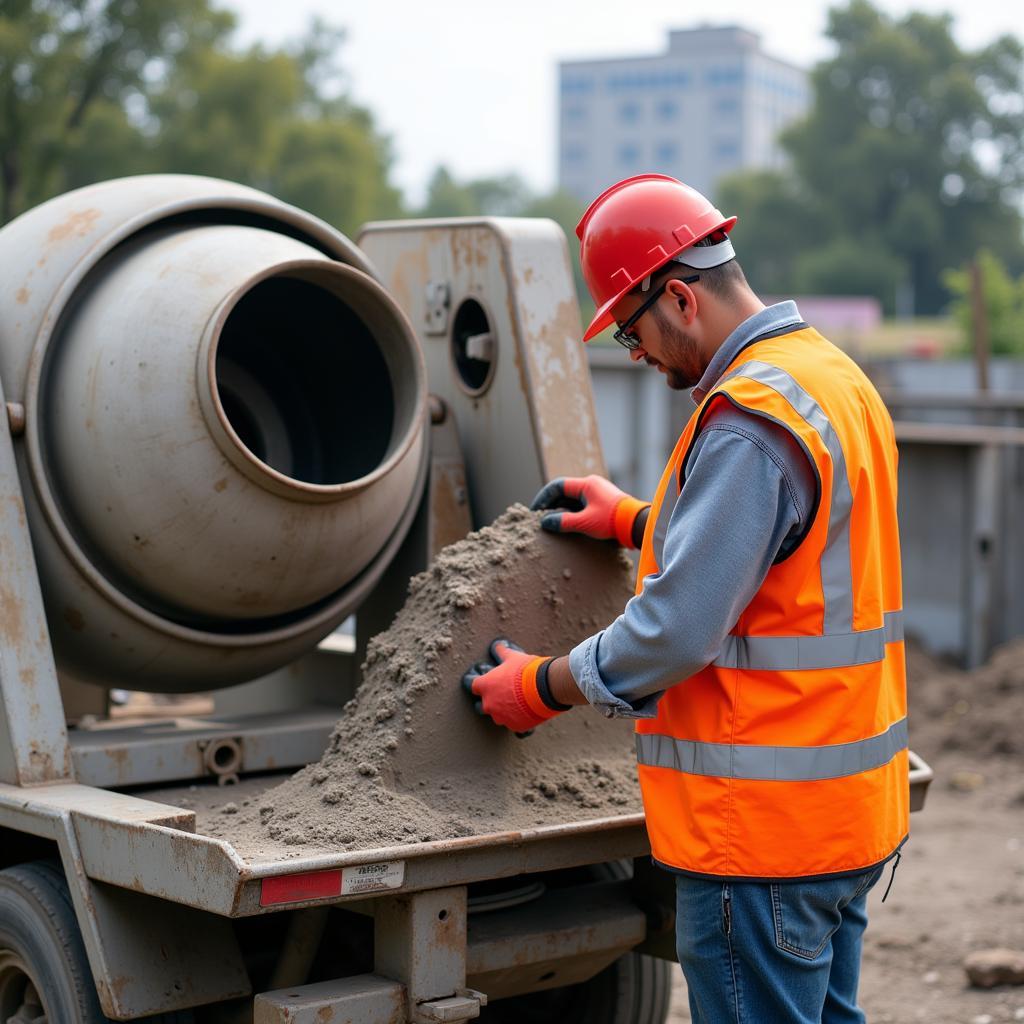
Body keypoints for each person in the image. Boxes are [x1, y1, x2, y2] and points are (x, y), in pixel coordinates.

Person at [466, 174, 909, 1024]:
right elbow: (795, 550)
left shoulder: (750, 416)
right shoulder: (825, 377)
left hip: (764, 833)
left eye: (633, 334)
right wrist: (634, 519)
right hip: (844, 811)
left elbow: (674, 634)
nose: (640, 356)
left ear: (677, 296)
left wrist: (537, 688)